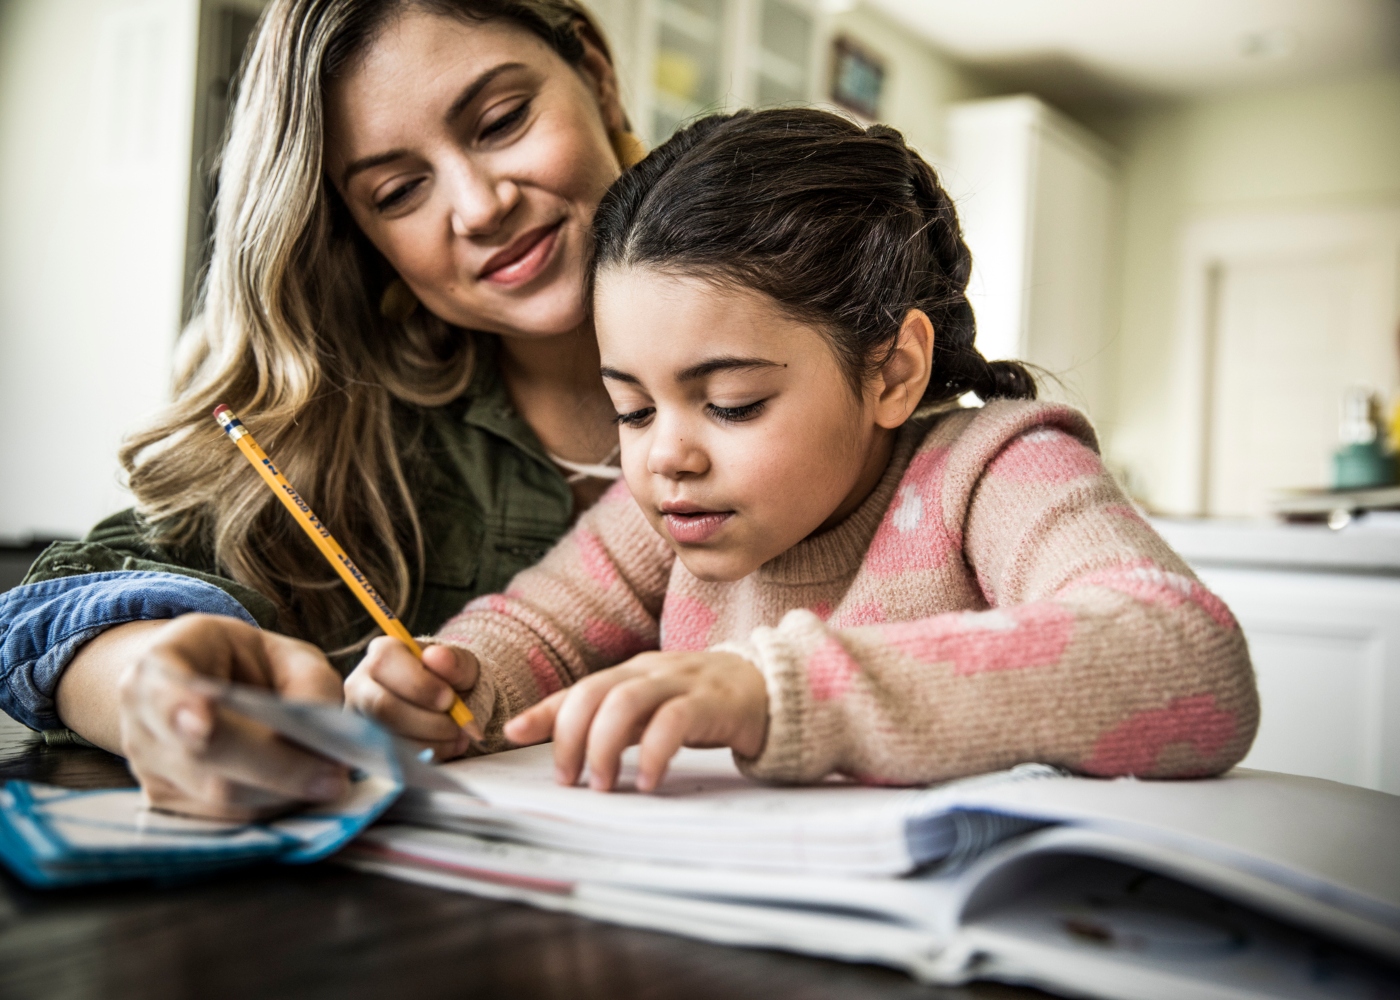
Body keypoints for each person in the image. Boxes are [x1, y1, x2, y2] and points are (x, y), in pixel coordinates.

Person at [346, 108, 1259, 792]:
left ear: (893, 370)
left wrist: (776, 690)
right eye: (629, 409)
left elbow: (1188, 658)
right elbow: (533, 630)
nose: (667, 455)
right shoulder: (666, 513)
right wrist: (454, 684)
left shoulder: (996, 469)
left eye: (733, 404)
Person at [0, 0, 644, 818]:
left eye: (501, 121)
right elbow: (51, 605)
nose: (480, 207)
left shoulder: (821, 302)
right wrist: (160, 692)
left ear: (595, 71)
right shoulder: (353, 432)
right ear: (358, 228)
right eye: (400, 190)